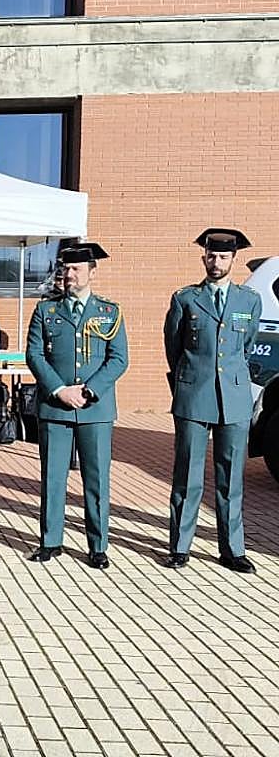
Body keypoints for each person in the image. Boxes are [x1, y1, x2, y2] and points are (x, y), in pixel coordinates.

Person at [25, 242, 129, 569]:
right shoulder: (46, 310)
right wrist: (59, 390)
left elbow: (119, 359)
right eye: (66, 269)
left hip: (94, 408)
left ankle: (98, 546)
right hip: (55, 406)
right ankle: (50, 541)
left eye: (76, 269)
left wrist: (89, 390)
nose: (70, 275)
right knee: (53, 477)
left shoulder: (109, 311)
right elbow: (34, 355)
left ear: (91, 273)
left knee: (96, 480)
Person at [163, 228, 261, 573]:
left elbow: (246, 346)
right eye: (211, 256)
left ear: (233, 259)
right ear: (203, 257)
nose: (216, 262)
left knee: (230, 477)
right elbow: (173, 348)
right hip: (193, 395)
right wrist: (188, 379)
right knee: (187, 474)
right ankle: (180, 547)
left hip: (233, 397)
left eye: (223, 257)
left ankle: (232, 549)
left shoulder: (249, 300)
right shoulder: (185, 298)